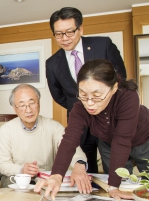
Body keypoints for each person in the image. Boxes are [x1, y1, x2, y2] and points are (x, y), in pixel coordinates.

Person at [35, 59, 149, 200]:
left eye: (96, 96)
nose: (89, 103)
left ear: (114, 88)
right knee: (119, 188)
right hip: (109, 143)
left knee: (146, 182)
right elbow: (69, 141)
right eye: (83, 95)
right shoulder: (79, 109)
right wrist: (56, 176)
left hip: (144, 140)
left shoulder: (128, 97)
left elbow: (122, 141)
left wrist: (113, 186)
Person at [46, 7, 127, 173]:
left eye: (69, 32)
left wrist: (102, 103)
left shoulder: (103, 45)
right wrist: (81, 105)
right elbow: (59, 96)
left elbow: (120, 78)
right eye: (58, 34)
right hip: (80, 124)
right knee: (85, 170)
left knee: (115, 166)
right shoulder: (52, 63)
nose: (64, 38)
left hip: (109, 118)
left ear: (80, 28)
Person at [0, 84, 88, 188]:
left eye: (32, 103)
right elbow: (3, 164)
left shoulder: (54, 127)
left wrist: (79, 165)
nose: (28, 110)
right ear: (15, 108)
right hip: (17, 178)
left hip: (45, 178)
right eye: (22, 105)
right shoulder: (6, 130)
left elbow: (71, 147)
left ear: (39, 103)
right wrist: (22, 169)